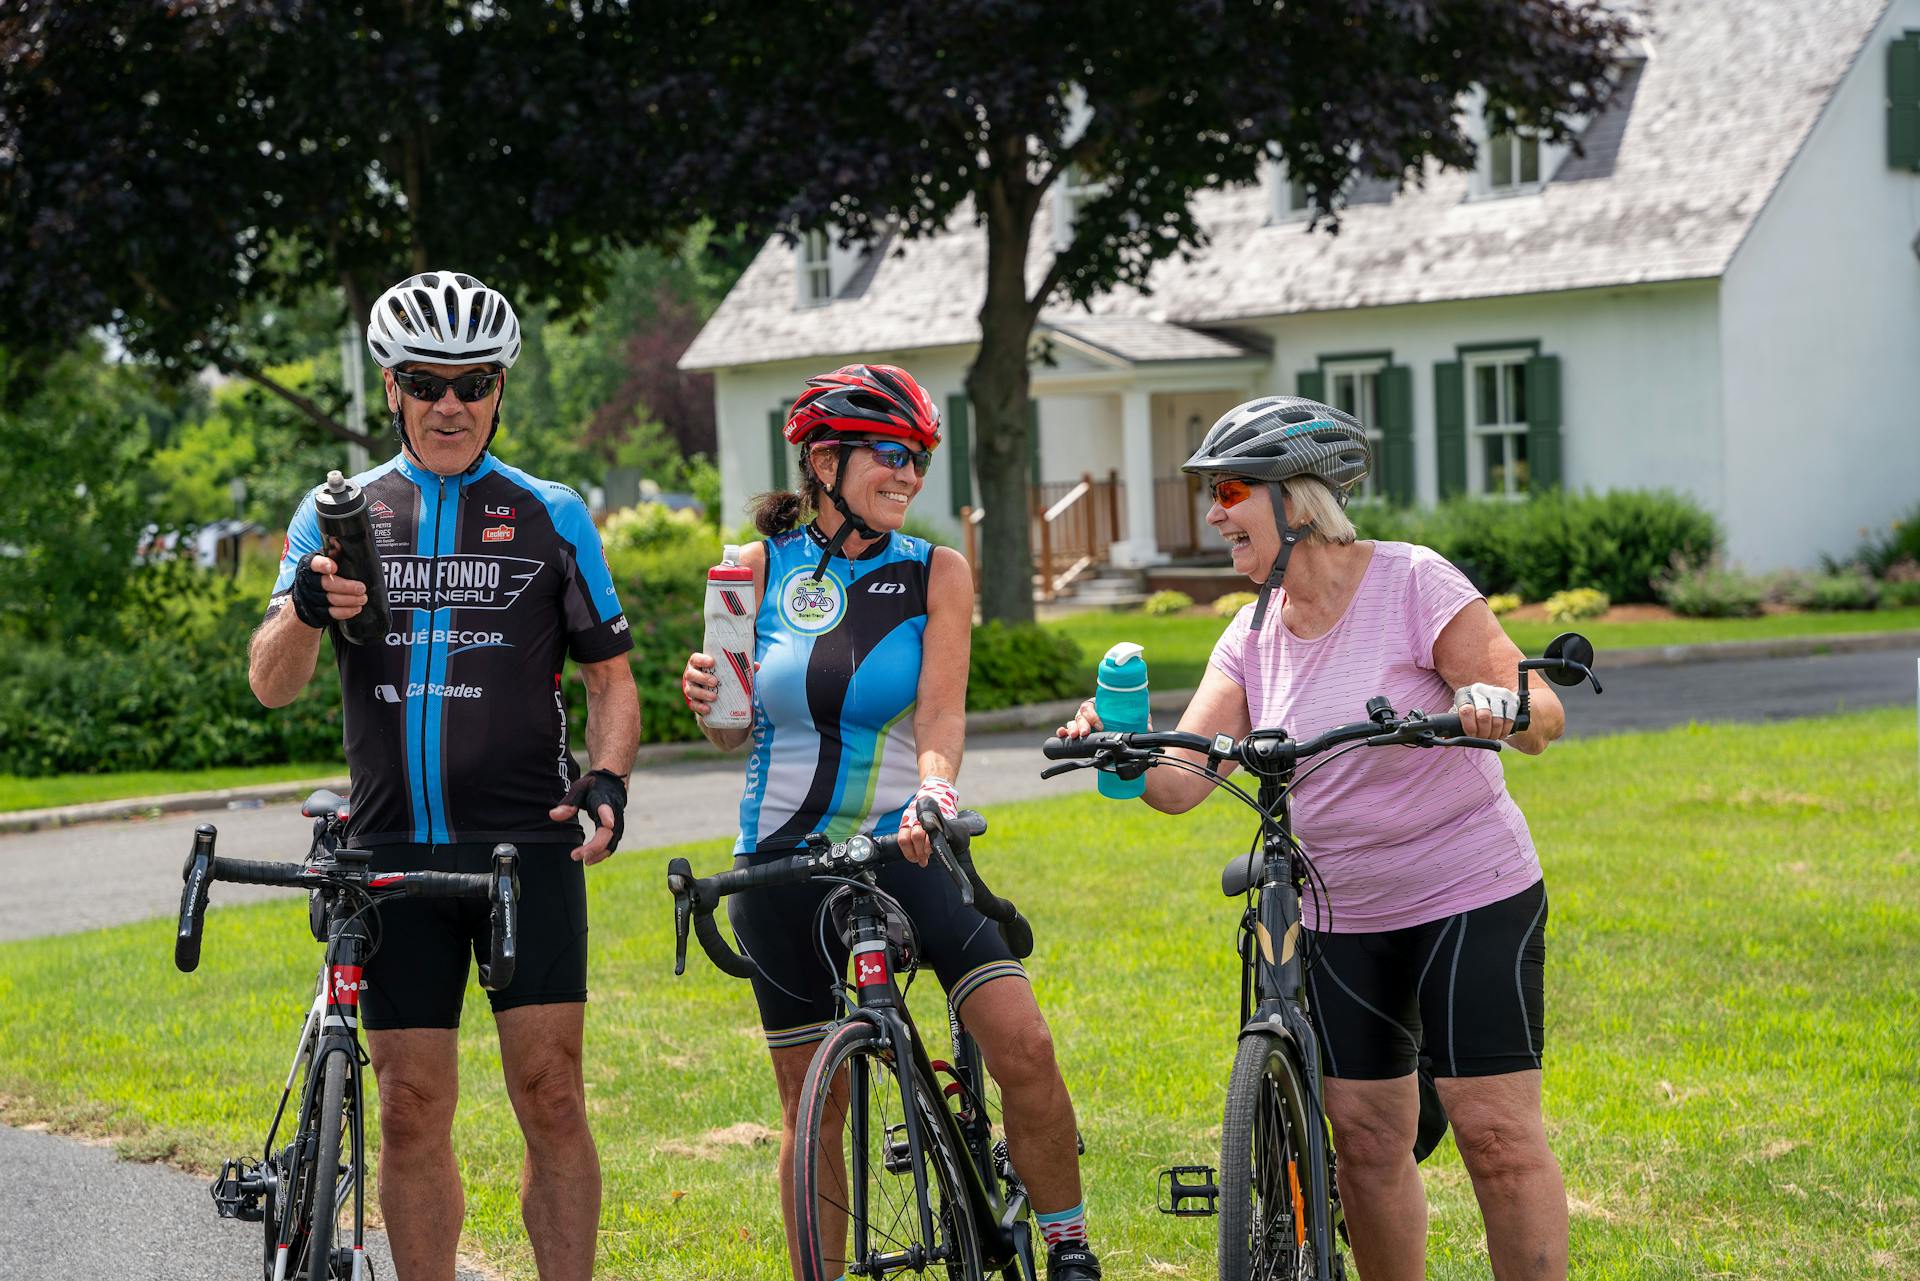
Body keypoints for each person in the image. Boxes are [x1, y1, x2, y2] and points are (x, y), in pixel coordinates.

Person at [1055, 396, 1572, 1281]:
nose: (1214, 514)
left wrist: (1499, 706)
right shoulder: (1251, 631)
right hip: (1339, 913)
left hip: (1469, 892)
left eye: (1229, 491)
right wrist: (1123, 746)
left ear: (1297, 500)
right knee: (1369, 1144)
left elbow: (1544, 712)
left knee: (1493, 1132)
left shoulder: (1414, 582)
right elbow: (1183, 780)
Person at [249, 270, 639, 1281]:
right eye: (426, 382)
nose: (450, 404)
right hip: (392, 854)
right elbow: (271, 686)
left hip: (526, 848)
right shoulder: (342, 516)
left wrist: (607, 782)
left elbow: (611, 680)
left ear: (501, 388)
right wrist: (303, 605)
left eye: (473, 382)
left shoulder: (553, 513)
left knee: (551, 1095)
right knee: (411, 1110)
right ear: (392, 389)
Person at [681, 364, 1103, 1281]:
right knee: (810, 1111)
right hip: (780, 865)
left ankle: (1069, 1241)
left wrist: (935, 790)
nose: (909, 474)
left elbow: (940, 716)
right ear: (825, 461)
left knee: (1022, 1042)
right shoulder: (747, 571)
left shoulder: (935, 572)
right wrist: (709, 697)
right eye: (891, 454)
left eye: (918, 457)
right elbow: (726, 734)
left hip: (901, 843)